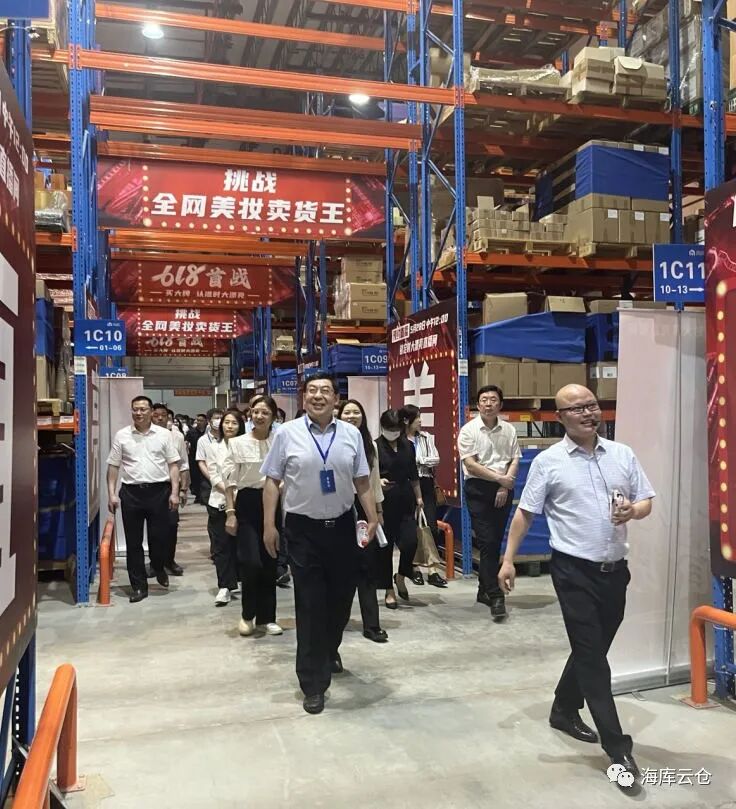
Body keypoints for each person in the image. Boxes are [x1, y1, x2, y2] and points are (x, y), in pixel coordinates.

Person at [498, 384, 654, 782]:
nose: (588, 413)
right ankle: (617, 748)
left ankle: (563, 708)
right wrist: (508, 559)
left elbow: (646, 500)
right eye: (577, 408)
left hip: (614, 570)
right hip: (572, 572)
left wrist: (634, 511)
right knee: (592, 657)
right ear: (560, 417)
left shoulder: (622, 454)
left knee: (594, 647)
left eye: (592, 405)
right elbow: (525, 513)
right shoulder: (549, 462)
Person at [261, 372, 378, 715]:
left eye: (325, 390)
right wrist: (269, 525)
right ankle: (313, 683)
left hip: (341, 527)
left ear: (336, 398)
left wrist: (372, 518)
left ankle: (328, 650)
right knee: (310, 604)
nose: (318, 395)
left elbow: (362, 481)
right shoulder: (287, 433)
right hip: (302, 531)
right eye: (311, 390)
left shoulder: (351, 434)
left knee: (341, 600)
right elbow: (272, 481)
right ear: (304, 397)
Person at [106, 395, 180, 603]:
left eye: (143, 409)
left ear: (151, 412)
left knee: (159, 539)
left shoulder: (164, 435)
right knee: (133, 542)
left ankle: (158, 566)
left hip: (159, 492)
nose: (138, 413)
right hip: (131, 494)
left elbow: (173, 464)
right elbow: (113, 466)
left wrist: (175, 492)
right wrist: (111, 493)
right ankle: (138, 586)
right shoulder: (122, 435)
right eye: (135, 409)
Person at [457, 384, 520, 619]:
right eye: (484, 400)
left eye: (493, 400)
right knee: (487, 541)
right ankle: (495, 594)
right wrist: (499, 479)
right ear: (478, 404)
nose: (488, 404)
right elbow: (471, 465)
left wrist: (504, 484)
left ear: (500, 404)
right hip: (479, 488)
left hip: (503, 488)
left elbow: (514, 458)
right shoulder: (468, 430)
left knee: (494, 541)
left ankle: (483, 590)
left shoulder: (509, 430)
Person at [223, 395, 283, 636]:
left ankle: (267, 617)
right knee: (251, 562)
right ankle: (248, 614)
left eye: (265, 413)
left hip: (274, 502)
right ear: (249, 414)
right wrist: (230, 513)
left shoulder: (280, 441)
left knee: (270, 561)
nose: (259, 416)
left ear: (273, 417)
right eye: (256, 412)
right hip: (247, 503)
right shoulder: (237, 443)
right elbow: (229, 481)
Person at [338, 399, 388, 643]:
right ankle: (338, 621)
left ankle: (372, 624)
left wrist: (376, 512)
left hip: (364, 507)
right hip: (338, 508)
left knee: (367, 567)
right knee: (342, 569)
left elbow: (374, 481)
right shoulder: (333, 441)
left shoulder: (371, 445)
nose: (351, 416)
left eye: (356, 412)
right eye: (346, 412)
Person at [376, 409, 422, 609]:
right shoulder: (375, 446)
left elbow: (414, 474)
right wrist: (378, 482)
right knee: (385, 549)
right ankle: (388, 589)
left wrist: (419, 497)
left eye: (396, 428)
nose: (393, 432)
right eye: (389, 428)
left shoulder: (408, 446)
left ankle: (401, 575)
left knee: (411, 542)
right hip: (384, 502)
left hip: (405, 500)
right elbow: (369, 475)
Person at [400, 404, 447, 588]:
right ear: (406, 420)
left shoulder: (426, 437)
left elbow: (435, 459)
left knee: (431, 526)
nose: (420, 420)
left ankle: (433, 570)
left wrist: (418, 460)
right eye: (417, 417)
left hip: (425, 484)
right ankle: (414, 568)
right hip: (406, 485)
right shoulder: (399, 439)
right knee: (411, 530)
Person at [204, 410, 245, 606]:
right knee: (221, 546)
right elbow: (214, 475)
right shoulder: (214, 448)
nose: (229, 426)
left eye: (234, 423)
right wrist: (231, 493)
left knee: (243, 545)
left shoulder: (247, 446)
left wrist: (240, 494)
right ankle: (225, 586)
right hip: (219, 501)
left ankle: (243, 579)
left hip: (245, 501)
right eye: (226, 422)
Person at [151, 404, 189, 576]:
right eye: (156, 415)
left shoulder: (177, 436)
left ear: (168, 417)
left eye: (163, 415)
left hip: (171, 486)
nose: (160, 418)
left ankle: (169, 561)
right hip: (153, 486)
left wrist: (183, 489)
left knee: (172, 525)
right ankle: (155, 563)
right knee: (154, 528)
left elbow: (184, 464)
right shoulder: (146, 435)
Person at [197, 408, 224, 546]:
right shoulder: (203, 440)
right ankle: (216, 546)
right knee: (214, 514)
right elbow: (201, 461)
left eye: (221, 418)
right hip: (209, 482)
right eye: (216, 418)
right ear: (209, 421)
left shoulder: (228, 438)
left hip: (226, 481)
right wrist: (212, 478)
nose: (219, 421)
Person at [188, 414, 207, 503]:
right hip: (193, 458)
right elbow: (187, 443)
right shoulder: (191, 432)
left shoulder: (208, 432)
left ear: (206, 421)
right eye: (198, 420)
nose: (199, 422)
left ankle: (203, 496)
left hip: (205, 458)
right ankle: (197, 495)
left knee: (204, 477)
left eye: (201, 420)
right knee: (195, 477)